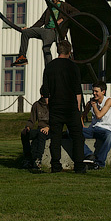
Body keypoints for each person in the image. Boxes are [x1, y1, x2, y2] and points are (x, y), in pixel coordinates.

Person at [42, 39, 86, 173]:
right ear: (69, 51)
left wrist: (50, 106)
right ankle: (79, 165)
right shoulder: (73, 67)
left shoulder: (49, 67)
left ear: (57, 51)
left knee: (55, 137)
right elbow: (78, 91)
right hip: (71, 106)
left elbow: (46, 92)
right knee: (77, 136)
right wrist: (78, 109)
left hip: (56, 107)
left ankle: (55, 165)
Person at [13, 0, 79, 66]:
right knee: (26, 32)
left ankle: (50, 66)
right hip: (46, 30)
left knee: (46, 47)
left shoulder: (64, 6)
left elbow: (76, 12)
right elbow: (41, 21)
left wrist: (63, 19)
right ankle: (22, 57)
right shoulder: (49, 8)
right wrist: (30, 29)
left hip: (54, 31)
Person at [81, 81, 111, 170]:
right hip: (93, 128)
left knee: (110, 136)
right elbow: (82, 116)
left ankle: (99, 162)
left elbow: (99, 115)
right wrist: (82, 126)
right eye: (93, 91)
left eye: (96, 91)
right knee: (72, 131)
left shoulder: (108, 101)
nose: (94, 93)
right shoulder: (90, 103)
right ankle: (88, 154)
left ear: (103, 92)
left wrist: (94, 106)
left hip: (105, 129)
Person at [21, 86, 50, 170]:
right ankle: (27, 158)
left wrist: (48, 127)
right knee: (24, 133)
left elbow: (57, 121)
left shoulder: (53, 105)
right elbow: (32, 120)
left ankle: (38, 159)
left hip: (50, 130)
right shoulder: (36, 105)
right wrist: (28, 127)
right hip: (40, 128)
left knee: (41, 134)